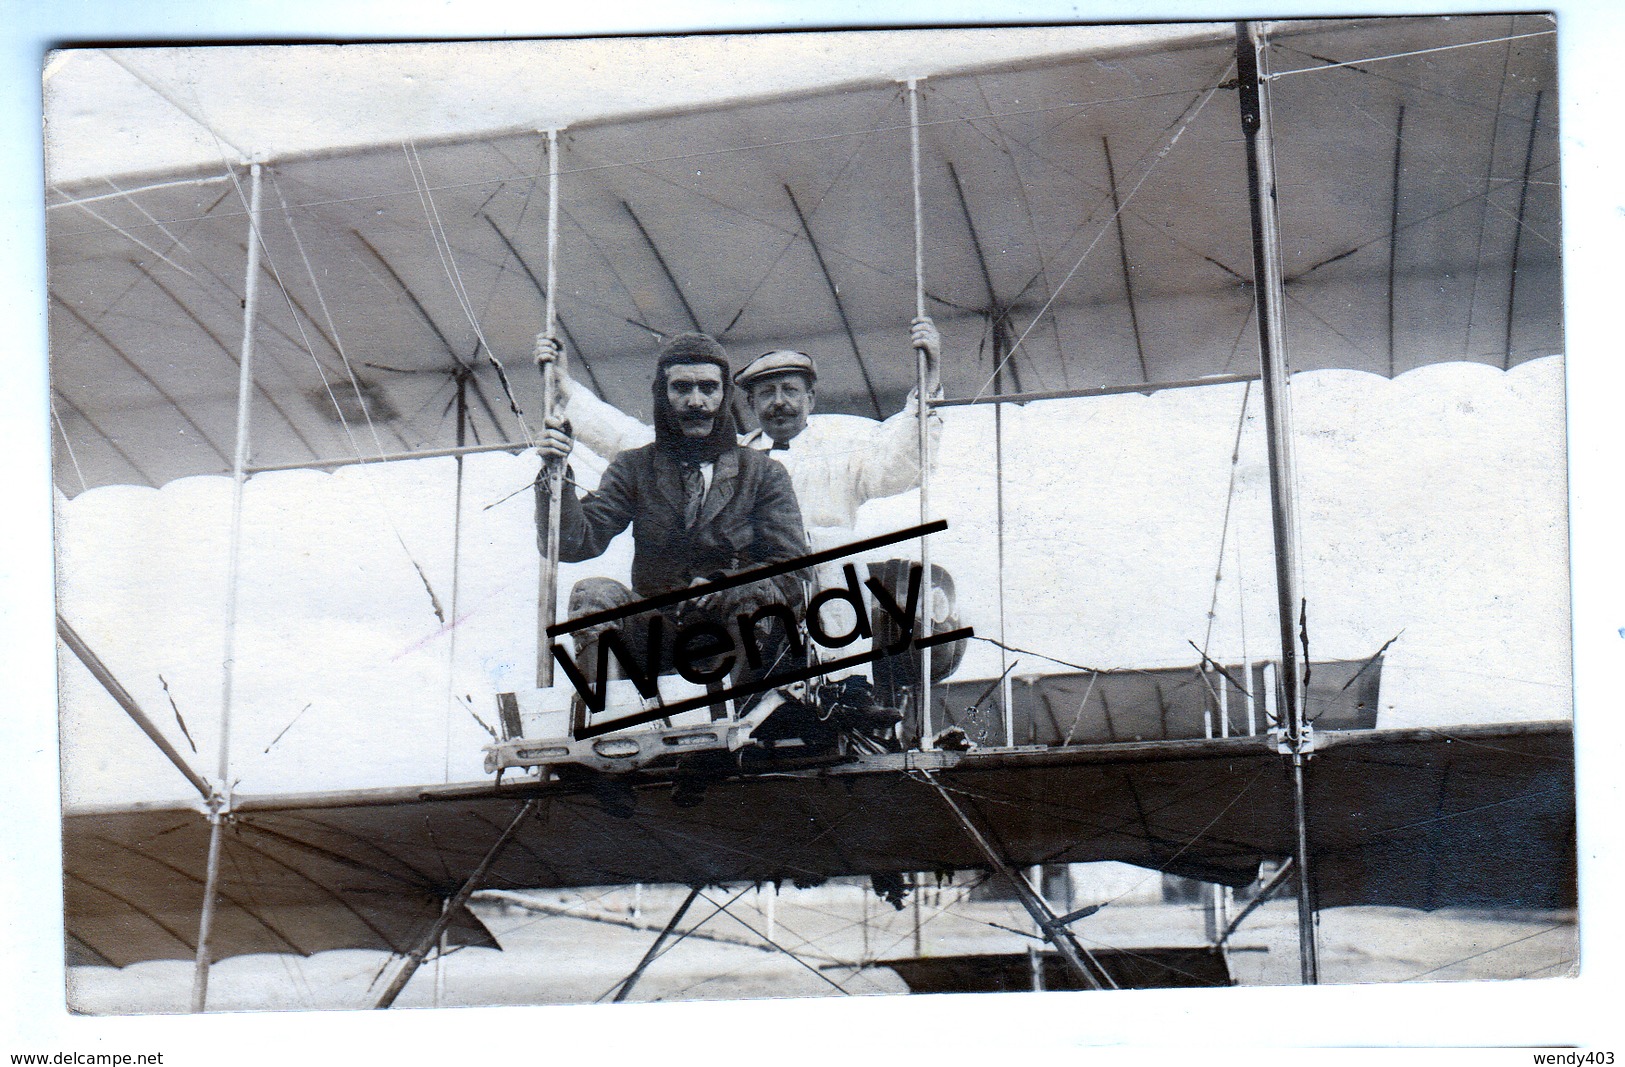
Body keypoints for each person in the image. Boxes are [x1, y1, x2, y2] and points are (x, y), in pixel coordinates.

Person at [535, 332, 808, 724]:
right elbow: (574, 543)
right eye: (682, 388)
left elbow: (794, 571)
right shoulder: (634, 467)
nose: (696, 401)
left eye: (708, 388)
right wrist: (554, 475)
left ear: (725, 396)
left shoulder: (763, 474)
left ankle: (736, 725)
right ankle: (606, 727)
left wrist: (724, 582)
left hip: (735, 636)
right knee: (592, 594)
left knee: (753, 591)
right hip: (657, 636)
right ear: (662, 394)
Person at [534, 318, 943, 555]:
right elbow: (633, 441)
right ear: (747, 403)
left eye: (790, 391)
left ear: (811, 399)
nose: (779, 403)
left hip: (819, 589)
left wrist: (929, 385)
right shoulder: (732, 456)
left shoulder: (845, 456)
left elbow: (901, 467)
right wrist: (566, 389)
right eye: (766, 393)